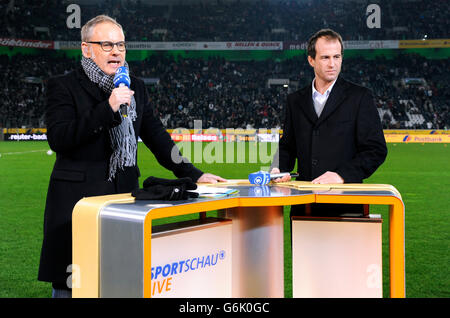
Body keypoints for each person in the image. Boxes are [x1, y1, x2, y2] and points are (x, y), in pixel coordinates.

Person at [38, 15, 225, 298]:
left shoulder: (135, 86)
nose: (116, 51)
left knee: (121, 279)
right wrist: (109, 107)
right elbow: (61, 139)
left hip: (123, 199)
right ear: (86, 48)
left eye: (121, 45)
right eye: (107, 44)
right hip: (77, 204)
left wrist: (193, 173)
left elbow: (157, 137)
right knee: (73, 283)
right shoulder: (63, 86)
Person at [271, 29, 387, 216]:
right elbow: (288, 146)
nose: (332, 64)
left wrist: (341, 175)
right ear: (311, 60)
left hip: (346, 204)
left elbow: (376, 150)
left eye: (337, 57)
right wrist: (278, 169)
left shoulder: (360, 97)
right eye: (325, 57)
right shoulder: (295, 100)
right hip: (304, 205)